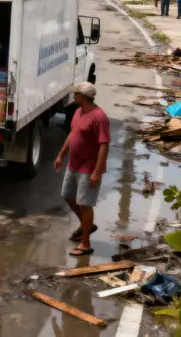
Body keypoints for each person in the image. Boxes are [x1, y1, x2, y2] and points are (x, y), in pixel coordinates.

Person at [54, 83, 110, 257]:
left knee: (85, 205)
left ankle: (85, 244)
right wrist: (61, 154)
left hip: (88, 168)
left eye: (76, 94)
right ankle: (87, 226)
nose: (74, 96)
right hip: (74, 164)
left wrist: (97, 171)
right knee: (68, 196)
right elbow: (73, 135)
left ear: (83, 97)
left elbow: (104, 145)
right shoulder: (78, 112)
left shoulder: (99, 117)